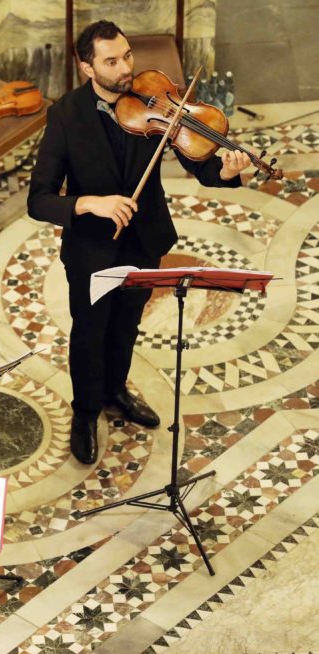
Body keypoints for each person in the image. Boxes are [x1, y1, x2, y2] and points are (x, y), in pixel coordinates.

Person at [27, 20, 252, 465]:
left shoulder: (153, 103)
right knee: (90, 332)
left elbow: (199, 162)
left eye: (127, 56)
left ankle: (116, 391)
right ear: (87, 67)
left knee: (127, 324)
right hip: (91, 249)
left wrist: (226, 171)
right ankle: (85, 412)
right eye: (111, 61)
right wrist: (91, 203)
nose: (125, 68)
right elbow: (38, 200)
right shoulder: (66, 115)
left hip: (144, 240)